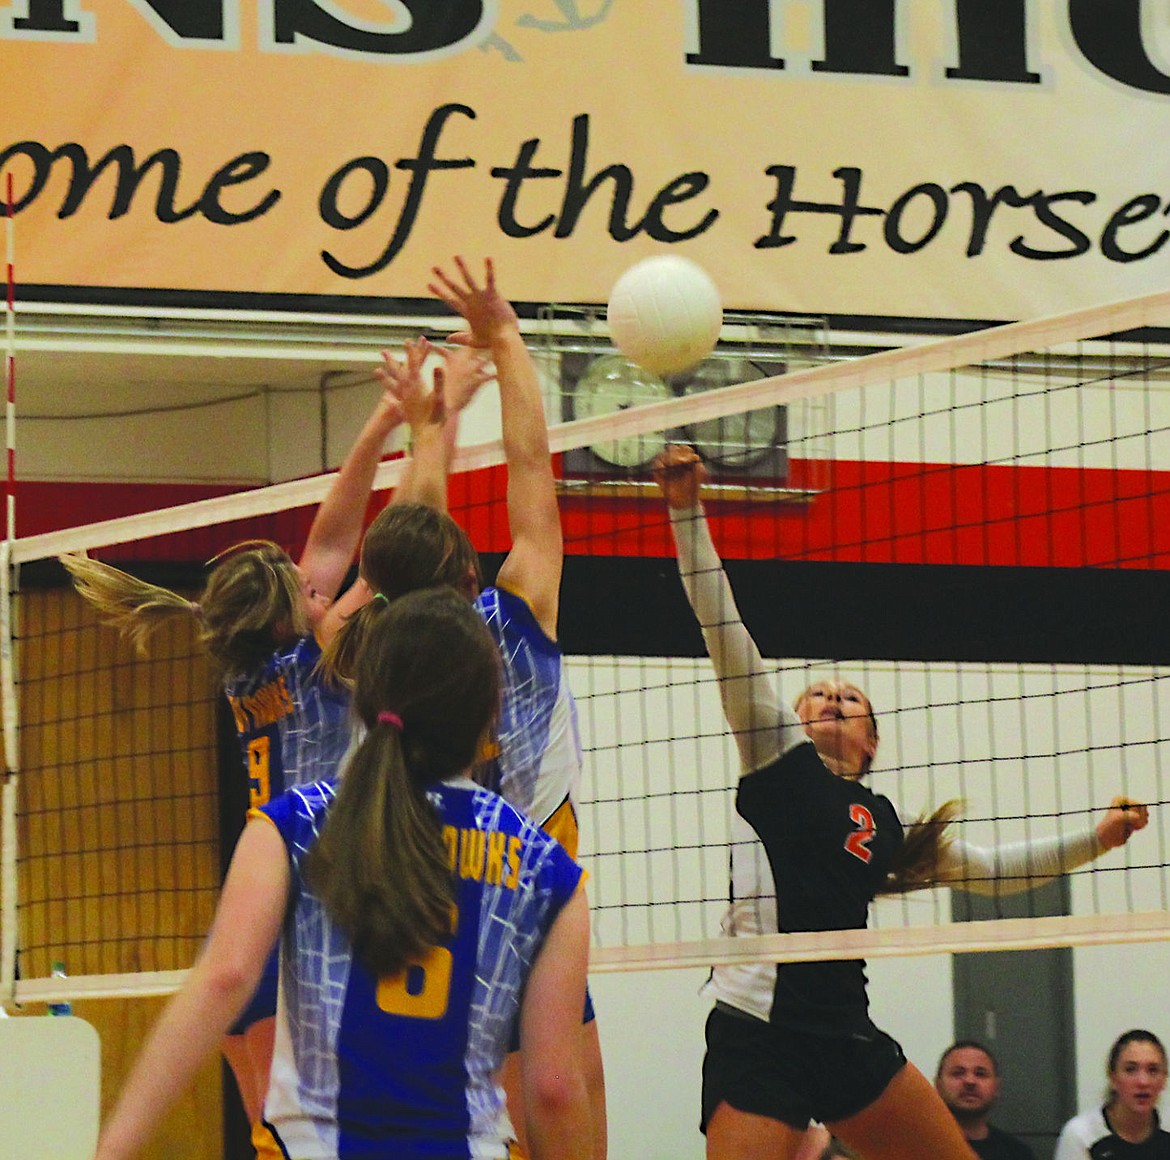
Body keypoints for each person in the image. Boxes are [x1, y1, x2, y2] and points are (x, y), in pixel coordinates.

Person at [650, 443, 1150, 1160]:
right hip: (758, 1031)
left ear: (871, 741)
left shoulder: (880, 822)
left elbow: (992, 871)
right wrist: (685, 512)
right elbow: (725, 632)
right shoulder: (774, 758)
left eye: (849, 699)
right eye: (817, 693)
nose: (830, 698)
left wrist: (1096, 839)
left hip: (845, 1030)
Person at [62, 340, 490, 1152]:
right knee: (292, 1125)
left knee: (272, 1123)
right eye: (306, 587)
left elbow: (330, 537)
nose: (316, 580)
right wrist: (430, 425)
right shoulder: (324, 657)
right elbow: (403, 546)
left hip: (257, 893)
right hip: (321, 890)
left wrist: (382, 417)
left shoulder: (243, 671)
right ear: (296, 611)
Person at [92, 587, 592, 1160]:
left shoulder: (289, 826)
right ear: (489, 715)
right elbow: (553, 1090)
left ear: (366, 697)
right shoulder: (547, 872)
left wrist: (112, 1149)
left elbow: (225, 978)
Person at [324, 258, 606, 1160]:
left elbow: (410, 534)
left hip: (411, 888)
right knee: (564, 1101)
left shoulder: (375, 647)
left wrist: (425, 427)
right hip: (525, 886)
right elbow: (532, 471)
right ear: (470, 574)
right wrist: (509, 337)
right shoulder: (518, 614)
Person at [1055, 1030, 1170, 1159]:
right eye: (1130, 1069)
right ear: (1112, 1077)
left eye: (1153, 1070)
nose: (1143, 1082)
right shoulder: (1081, 1135)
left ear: (1164, 1078)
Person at [935, 1041, 1035, 1159]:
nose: (970, 1081)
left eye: (980, 1074)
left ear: (996, 1087)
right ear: (938, 1085)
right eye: (958, 1073)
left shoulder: (1018, 1154)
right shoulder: (915, 1146)